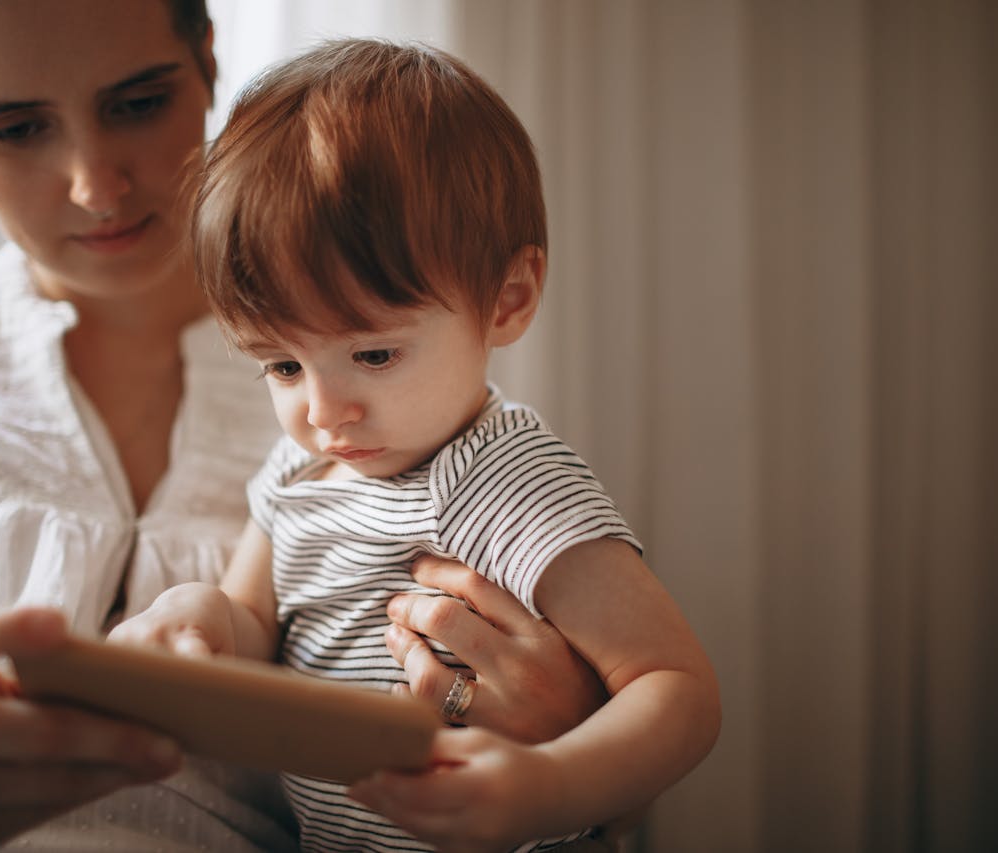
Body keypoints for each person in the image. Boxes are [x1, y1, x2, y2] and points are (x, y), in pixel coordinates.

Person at [0, 2, 613, 851]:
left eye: (136, 104)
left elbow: (614, 756)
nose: (96, 185)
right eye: (15, 128)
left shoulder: (406, 394)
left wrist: (571, 748)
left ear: (205, 59)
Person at [113, 38, 721, 853]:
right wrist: (197, 616)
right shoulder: (300, 469)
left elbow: (676, 687)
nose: (326, 412)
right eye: (283, 364)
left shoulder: (501, 476)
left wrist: (553, 784)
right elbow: (257, 622)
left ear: (507, 299)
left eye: (372, 355)